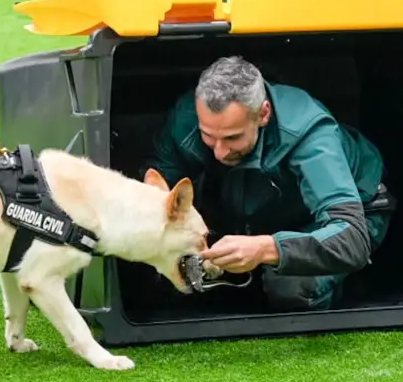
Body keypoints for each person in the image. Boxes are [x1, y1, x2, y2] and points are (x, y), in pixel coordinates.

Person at [146, 58, 390, 312]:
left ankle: (354, 283)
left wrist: (266, 248)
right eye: (208, 135)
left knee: (289, 290)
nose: (220, 152)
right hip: (252, 208)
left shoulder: (311, 135)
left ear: (263, 114)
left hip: (342, 218)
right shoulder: (185, 118)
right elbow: (155, 187)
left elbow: (351, 238)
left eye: (233, 137)